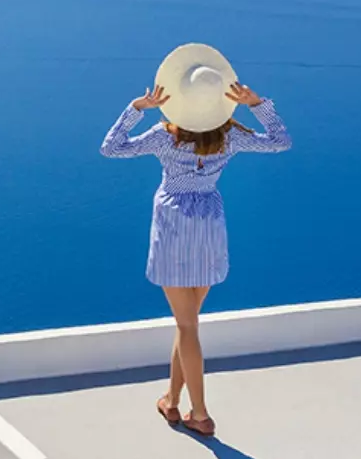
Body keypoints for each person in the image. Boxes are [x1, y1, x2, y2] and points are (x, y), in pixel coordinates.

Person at [99, 43, 291, 437]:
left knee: (187, 327)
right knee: (187, 323)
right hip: (208, 225)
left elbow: (110, 148)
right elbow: (280, 141)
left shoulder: (164, 138)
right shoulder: (231, 138)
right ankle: (171, 402)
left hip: (173, 225)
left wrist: (136, 109)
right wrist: (258, 104)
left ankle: (199, 413)